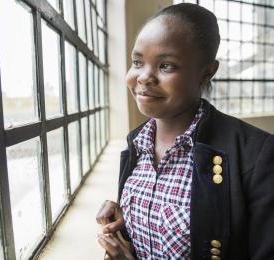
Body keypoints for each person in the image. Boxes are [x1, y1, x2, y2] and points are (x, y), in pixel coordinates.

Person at [96, 3, 274, 260]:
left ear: (207, 72)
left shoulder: (257, 155)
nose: (144, 77)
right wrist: (130, 223)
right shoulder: (136, 142)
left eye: (166, 66)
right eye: (137, 62)